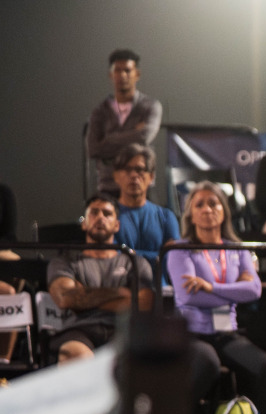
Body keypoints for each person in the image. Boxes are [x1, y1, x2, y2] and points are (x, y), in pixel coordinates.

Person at [168, 182, 266, 414]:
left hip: (226, 333)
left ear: (224, 211)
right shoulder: (179, 251)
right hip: (192, 334)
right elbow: (189, 296)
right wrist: (235, 289)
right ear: (191, 214)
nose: (207, 209)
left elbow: (254, 290)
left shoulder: (236, 248)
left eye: (213, 203)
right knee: (207, 362)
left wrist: (211, 287)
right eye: (200, 204)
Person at [47, 194, 156, 363]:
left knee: (131, 361)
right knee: (77, 357)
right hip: (78, 329)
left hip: (123, 329)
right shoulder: (65, 261)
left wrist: (84, 296)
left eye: (107, 214)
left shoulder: (135, 263)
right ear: (84, 223)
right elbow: (65, 298)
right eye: (94, 213)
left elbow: (144, 304)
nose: (100, 218)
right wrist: (122, 293)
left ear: (117, 225)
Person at [86, 49, 162, 196]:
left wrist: (108, 139)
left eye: (127, 70)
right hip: (109, 187)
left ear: (137, 74)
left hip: (141, 187)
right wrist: (133, 132)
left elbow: (144, 136)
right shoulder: (100, 111)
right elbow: (93, 149)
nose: (122, 75)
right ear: (111, 75)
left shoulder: (150, 106)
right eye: (117, 70)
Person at [112, 144, 180, 266]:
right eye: (127, 169)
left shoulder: (166, 217)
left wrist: (129, 253)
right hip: (120, 284)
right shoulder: (107, 216)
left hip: (158, 284)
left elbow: (173, 258)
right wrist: (156, 255)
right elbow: (110, 257)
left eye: (139, 169)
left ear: (151, 176)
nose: (133, 175)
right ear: (116, 176)